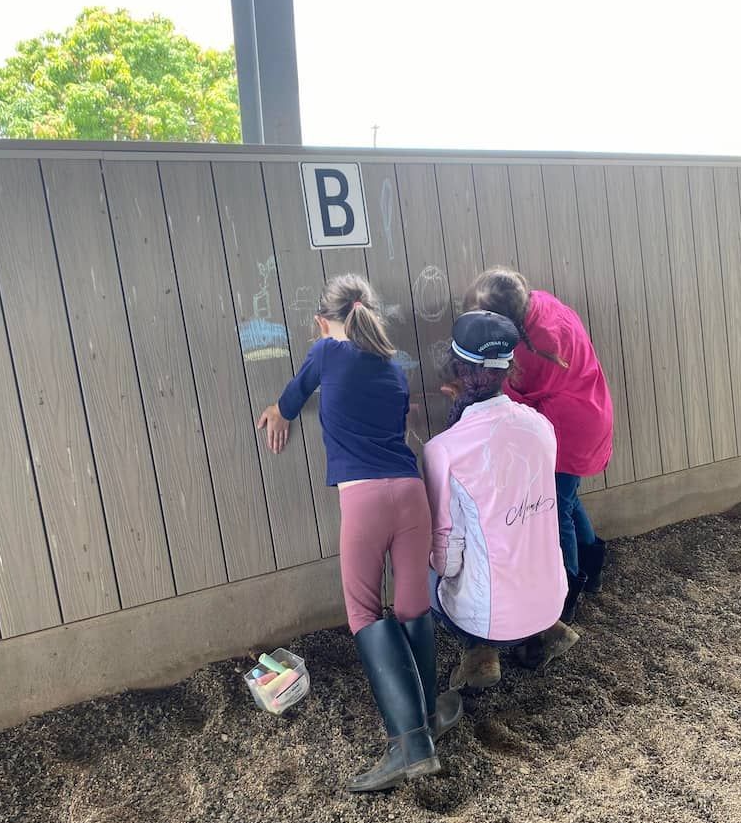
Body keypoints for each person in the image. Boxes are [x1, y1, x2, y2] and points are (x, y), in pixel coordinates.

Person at [258, 274, 462, 792]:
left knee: (366, 613)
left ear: (321, 322)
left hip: (366, 500)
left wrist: (279, 413)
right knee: (413, 606)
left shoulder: (326, 352)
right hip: (412, 493)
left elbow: (295, 392)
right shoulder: (393, 369)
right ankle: (429, 718)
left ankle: (410, 746)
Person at [422, 311, 577, 689]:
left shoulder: (442, 450)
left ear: (457, 371)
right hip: (553, 598)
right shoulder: (541, 427)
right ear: (509, 368)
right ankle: (545, 629)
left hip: (490, 617)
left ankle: (479, 653)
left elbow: (447, 555)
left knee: (426, 572)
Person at [462, 268, 613, 623]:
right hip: (589, 411)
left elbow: (512, 398)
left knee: (557, 510)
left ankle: (568, 593)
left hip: (567, 429)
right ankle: (594, 569)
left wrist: (474, 392)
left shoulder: (536, 346)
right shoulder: (540, 303)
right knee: (568, 497)